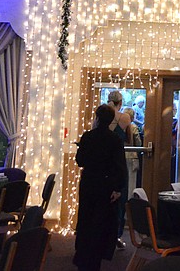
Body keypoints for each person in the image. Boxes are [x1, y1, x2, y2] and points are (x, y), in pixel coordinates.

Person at [73, 104, 126, 271]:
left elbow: (80, 161)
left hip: (89, 182)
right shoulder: (115, 139)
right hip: (106, 184)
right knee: (101, 222)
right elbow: (119, 165)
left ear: (96, 118)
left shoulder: (88, 136)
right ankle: (96, 256)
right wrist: (118, 188)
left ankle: (83, 256)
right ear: (111, 121)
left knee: (86, 219)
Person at [106, 90, 134, 247]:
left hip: (103, 162)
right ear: (121, 103)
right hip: (118, 160)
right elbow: (129, 139)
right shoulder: (125, 117)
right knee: (120, 197)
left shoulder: (101, 116)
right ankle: (116, 234)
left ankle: (102, 233)